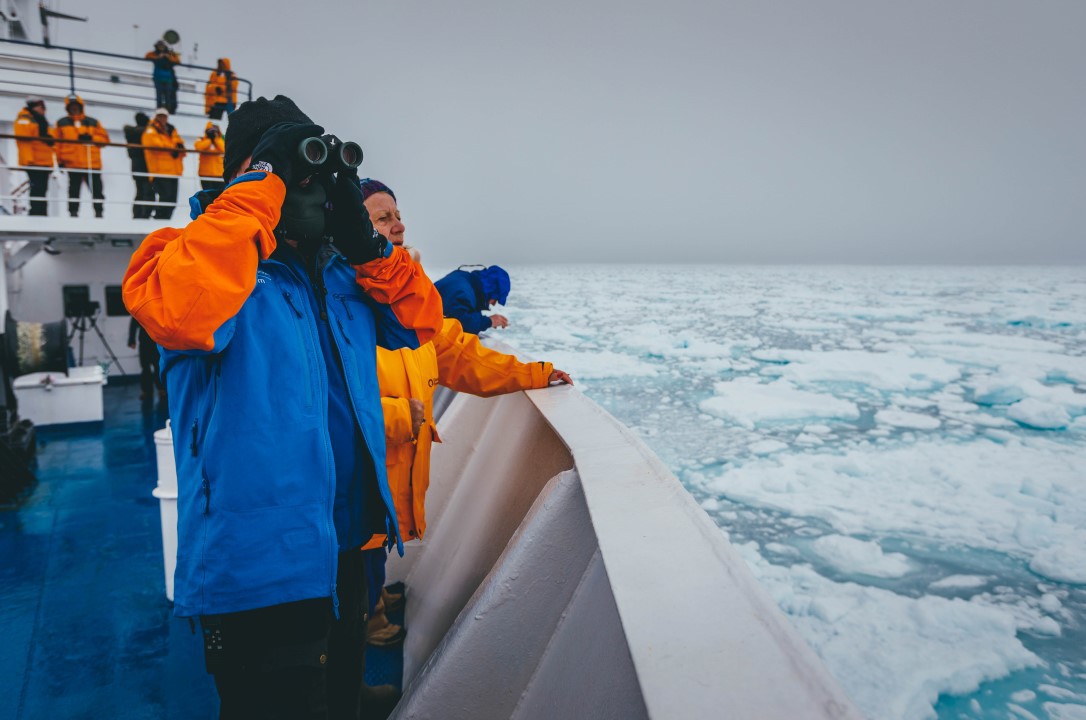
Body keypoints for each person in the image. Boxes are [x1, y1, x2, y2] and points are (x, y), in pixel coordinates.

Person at [121, 94, 443, 719]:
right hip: (259, 572)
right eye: (297, 172)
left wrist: (368, 247)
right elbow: (180, 311)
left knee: (343, 692)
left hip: (348, 544)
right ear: (248, 176)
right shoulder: (181, 256)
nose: (311, 190)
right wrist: (259, 187)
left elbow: (419, 322)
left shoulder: (343, 271)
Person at [357, 178, 573, 646]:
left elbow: (456, 353)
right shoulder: (340, 299)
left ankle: (368, 615)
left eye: (397, 214)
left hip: (389, 481)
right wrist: (398, 418)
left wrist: (534, 373)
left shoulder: (408, 296)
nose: (399, 224)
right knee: (353, 568)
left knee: (370, 556)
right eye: (383, 217)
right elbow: (321, 402)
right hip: (356, 485)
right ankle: (365, 631)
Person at [54, 95, 109, 219]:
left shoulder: (93, 122)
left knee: (97, 191)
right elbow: (57, 144)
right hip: (73, 163)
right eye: (71, 106)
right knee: (73, 191)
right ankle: (73, 213)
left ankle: (99, 212)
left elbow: (104, 140)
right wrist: (59, 161)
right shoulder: (61, 123)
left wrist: (92, 138)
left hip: (92, 163)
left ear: (80, 106)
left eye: (76, 106)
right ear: (68, 108)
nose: (74, 108)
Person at [434, 264, 511, 334]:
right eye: (495, 299)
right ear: (490, 290)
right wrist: (489, 321)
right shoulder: (462, 291)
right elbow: (459, 322)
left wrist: (484, 322)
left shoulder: (465, 281)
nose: (493, 304)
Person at [13, 96, 54, 216]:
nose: (43, 110)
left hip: (44, 161)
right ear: (35, 107)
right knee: (37, 188)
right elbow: (23, 134)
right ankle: (36, 212)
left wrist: (49, 139)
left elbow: (51, 138)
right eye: (41, 107)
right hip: (32, 160)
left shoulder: (42, 121)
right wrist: (44, 137)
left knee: (42, 189)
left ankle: (42, 212)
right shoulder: (25, 118)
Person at [141, 109, 186, 219]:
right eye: (160, 116)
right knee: (165, 197)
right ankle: (159, 219)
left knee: (172, 200)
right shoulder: (151, 129)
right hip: (160, 170)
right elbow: (154, 144)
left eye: (164, 116)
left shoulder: (171, 129)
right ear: (156, 117)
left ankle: (166, 219)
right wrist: (173, 148)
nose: (162, 118)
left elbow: (179, 143)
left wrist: (177, 147)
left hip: (173, 171)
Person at [123, 112, 154, 219]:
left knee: (140, 192)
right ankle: (145, 214)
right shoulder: (145, 132)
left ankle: (138, 214)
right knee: (148, 192)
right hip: (146, 166)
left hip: (136, 167)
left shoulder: (131, 134)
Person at [127, 316, 165, 401]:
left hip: (157, 343)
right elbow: (134, 324)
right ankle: (146, 391)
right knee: (145, 368)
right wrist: (131, 340)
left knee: (158, 367)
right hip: (144, 343)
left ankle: (162, 389)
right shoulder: (141, 309)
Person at [145, 40, 180, 113]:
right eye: (159, 46)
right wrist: (158, 57)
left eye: (162, 46)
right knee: (159, 97)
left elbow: (177, 60)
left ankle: (168, 111)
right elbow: (147, 56)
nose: (161, 47)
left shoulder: (169, 53)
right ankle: (159, 111)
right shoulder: (154, 53)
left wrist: (168, 57)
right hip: (158, 78)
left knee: (168, 97)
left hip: (168, 79)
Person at [193, 122, 225, 190]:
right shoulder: (201, 139)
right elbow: (199, 147)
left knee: (219, 195)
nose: (213, 132)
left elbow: (224, 149)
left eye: (215, 130)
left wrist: (215, 139)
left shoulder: (221, 140)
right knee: (207, 195)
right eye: (211, 130)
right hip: (205, 173)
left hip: (219, 174)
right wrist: (209, 139)